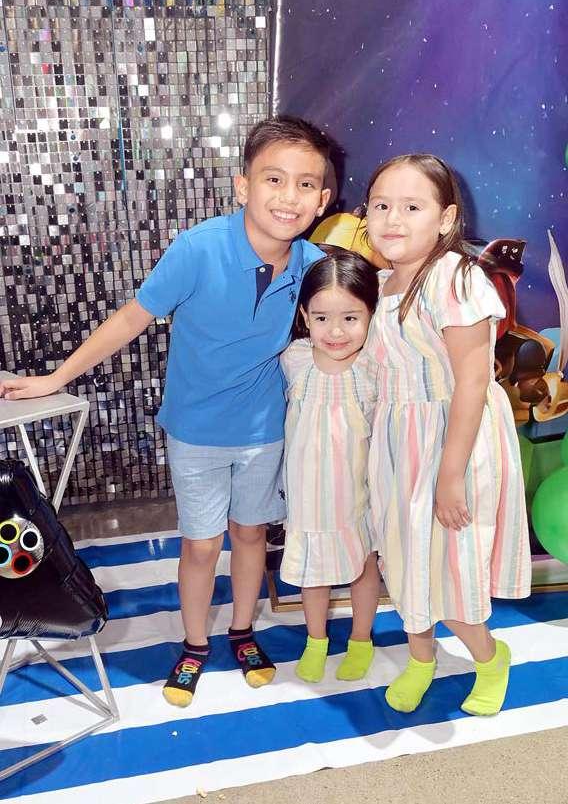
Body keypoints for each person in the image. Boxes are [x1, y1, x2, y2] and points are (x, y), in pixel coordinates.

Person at [0, 115, 332, 707]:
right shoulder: (198, 249)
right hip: (196, 432)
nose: (289, 196)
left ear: (323, 200)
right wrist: (56, 377)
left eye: (306, 184)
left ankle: (243, 631)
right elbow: (132, 317)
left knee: (251, 534)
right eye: (274, 179)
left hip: (266, 431)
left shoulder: (313, 265)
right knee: (201, 544)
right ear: (243, 186)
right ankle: (196, 643)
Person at [364, 154, 531, 715]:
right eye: (382, 205)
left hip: (454, 441)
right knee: (403, 560)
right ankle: (421, 659)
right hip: (399, 445)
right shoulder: (380, 284)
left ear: (445, 218)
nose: (394, 218)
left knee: (454, 569)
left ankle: (490, 657)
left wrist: (450, 474)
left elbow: (472, 382)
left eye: (412, 206)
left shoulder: (456, 278)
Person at [280, 247, 380, 683]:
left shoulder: (374, 367)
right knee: (312, 570)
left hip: (358, 493)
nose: (335, 331)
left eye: (350, 318)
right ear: (305, 316)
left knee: (363, 563)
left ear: (371, 315)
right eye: (322, 318)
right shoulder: (296, 359)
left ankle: (361, 639)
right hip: (308, 497)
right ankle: (316, 640)